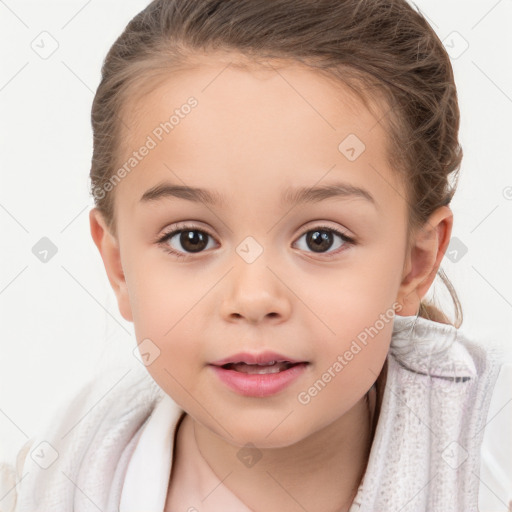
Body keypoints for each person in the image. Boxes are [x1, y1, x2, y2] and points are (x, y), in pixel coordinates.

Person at [0, 0, 505, 511]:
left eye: (320, 239)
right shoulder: (46, 485)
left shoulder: (481, 490)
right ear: (119, 266)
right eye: (191, 239)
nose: (254, 298)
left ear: (414, 264)